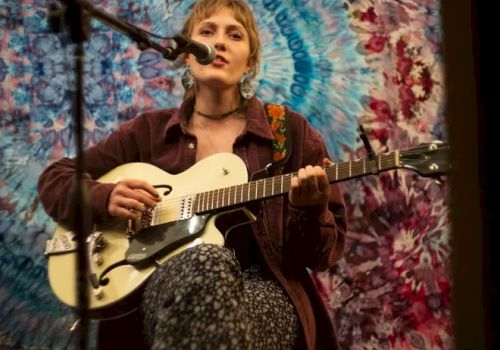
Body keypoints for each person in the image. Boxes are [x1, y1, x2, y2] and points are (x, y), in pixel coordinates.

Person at [38, 0, 347, 348]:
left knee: (208, 263)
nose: (220, 43)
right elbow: (55, 178)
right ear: (187, 54)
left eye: (235, 35)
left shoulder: (290, 133)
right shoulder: (148, 132)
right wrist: (105, 197)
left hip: (264, 294)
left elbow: (322, 256)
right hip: (156, 291)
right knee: (205, 264)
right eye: (207, 32)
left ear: (250, 60)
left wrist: (310, 210)